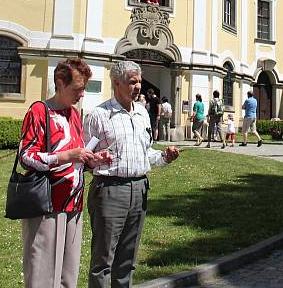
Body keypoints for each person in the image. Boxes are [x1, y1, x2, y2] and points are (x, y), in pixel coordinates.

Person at [84, 61, 179, 288]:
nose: (138, 86)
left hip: (139, 190)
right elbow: (85, 157)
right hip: (109, 191)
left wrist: (165, 157)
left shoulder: (142, 115)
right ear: (117, 83)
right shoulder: (99, 115)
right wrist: (94, 160)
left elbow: (145, 153)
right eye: (132, 82)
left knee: (128, 260)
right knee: (103, 261)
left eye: (139, 81)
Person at [19, 58, 112, 288]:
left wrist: (93, 160)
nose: (82, 95)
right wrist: (67, 156)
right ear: (60, 83)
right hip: (47, 205)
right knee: (42, 275)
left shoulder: (74, 115)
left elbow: (77, 157)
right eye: (78, 89)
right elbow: (27, 156)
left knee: (67, 277)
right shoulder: (40, 112)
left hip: (73, 205)